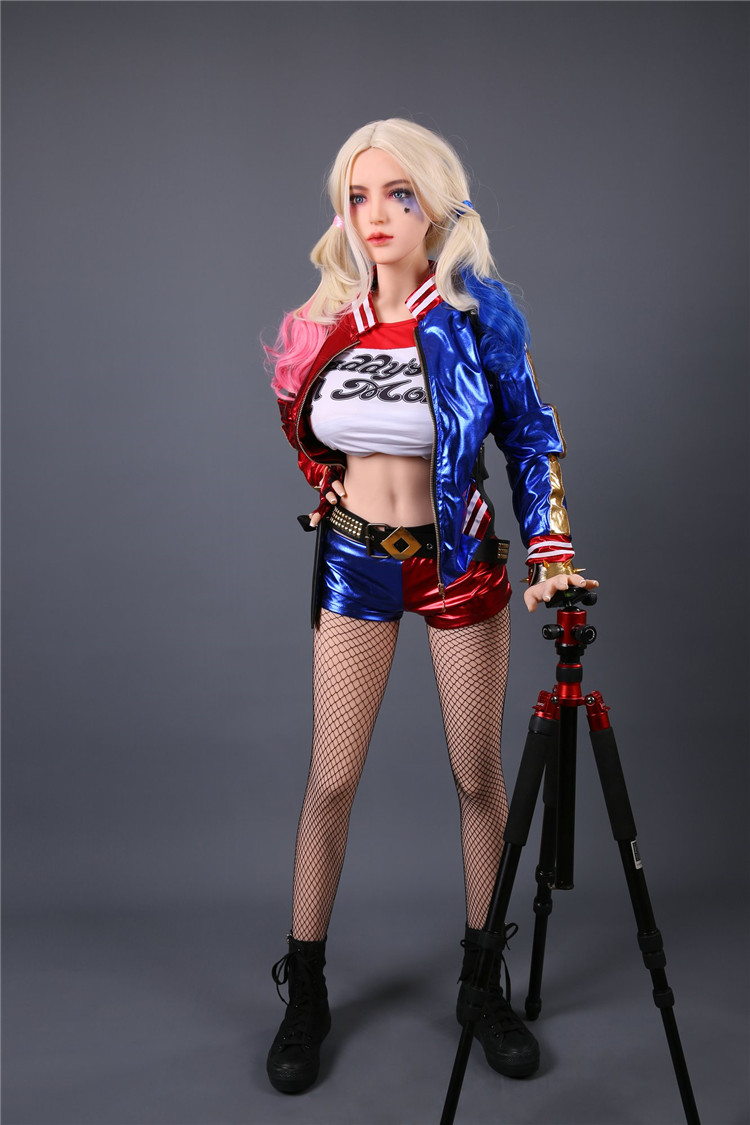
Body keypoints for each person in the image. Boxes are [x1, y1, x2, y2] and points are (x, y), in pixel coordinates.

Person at [263, 118, 597, 1096]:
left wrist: (552, 550)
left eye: (399, 193)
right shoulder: (323, 321)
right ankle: (306, 991)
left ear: (436, 207)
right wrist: (326, 481)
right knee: (331, 780)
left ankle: (481, 983)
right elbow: (301, 419)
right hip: (356, 562)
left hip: (458, 565)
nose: (376, 214)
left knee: (477, 778)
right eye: (358, 195)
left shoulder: (474, 318)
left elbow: (531, 436)